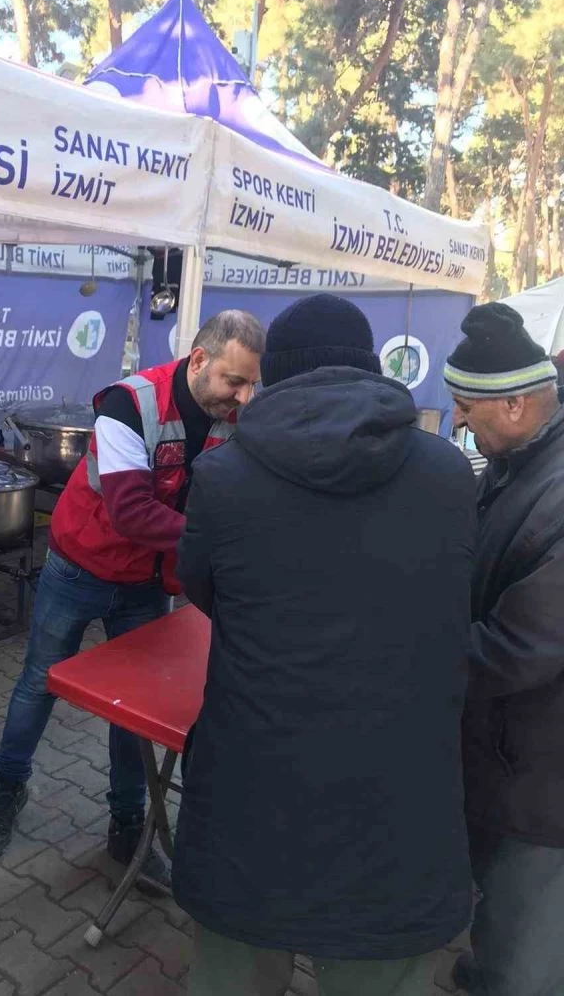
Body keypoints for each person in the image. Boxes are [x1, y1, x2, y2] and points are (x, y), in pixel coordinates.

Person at [173, 294, 476, 996]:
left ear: (274, 375)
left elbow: (204, 590)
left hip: (253, 801)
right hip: (396, 809)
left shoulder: (223, 477)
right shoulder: (448, 475)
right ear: (371, 368)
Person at [0, 310, 265, 886]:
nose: (245, 395)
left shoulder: (235, 417)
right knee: (38, 682)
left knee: (134, 709)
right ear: (200, 360)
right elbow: (130, 512)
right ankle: (7, 787)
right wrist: (222, 543)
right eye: (236, 381)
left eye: (253, 382)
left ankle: (128, 825)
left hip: (149, 582)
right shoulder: (130, 404)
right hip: (80, 567)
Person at [444, 304, 564, 996]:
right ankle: (488, 961)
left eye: (465, 407)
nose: (459, 421)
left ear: (515, 404)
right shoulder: (518, 463)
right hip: (503, 754)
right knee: (501, 910)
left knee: (529, 947)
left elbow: (516, 644)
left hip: (544, 783)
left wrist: (404, 660)